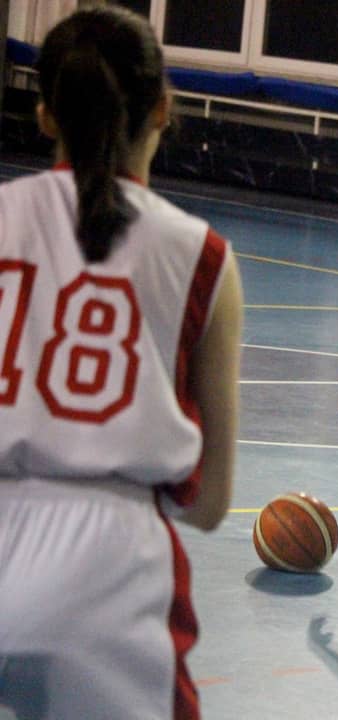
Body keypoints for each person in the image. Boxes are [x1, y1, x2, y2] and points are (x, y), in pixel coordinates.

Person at [0, 7, 243, 719]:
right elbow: (209, 502)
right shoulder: (200, 254)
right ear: (163, 108)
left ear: (45, 115)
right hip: (105, 575)